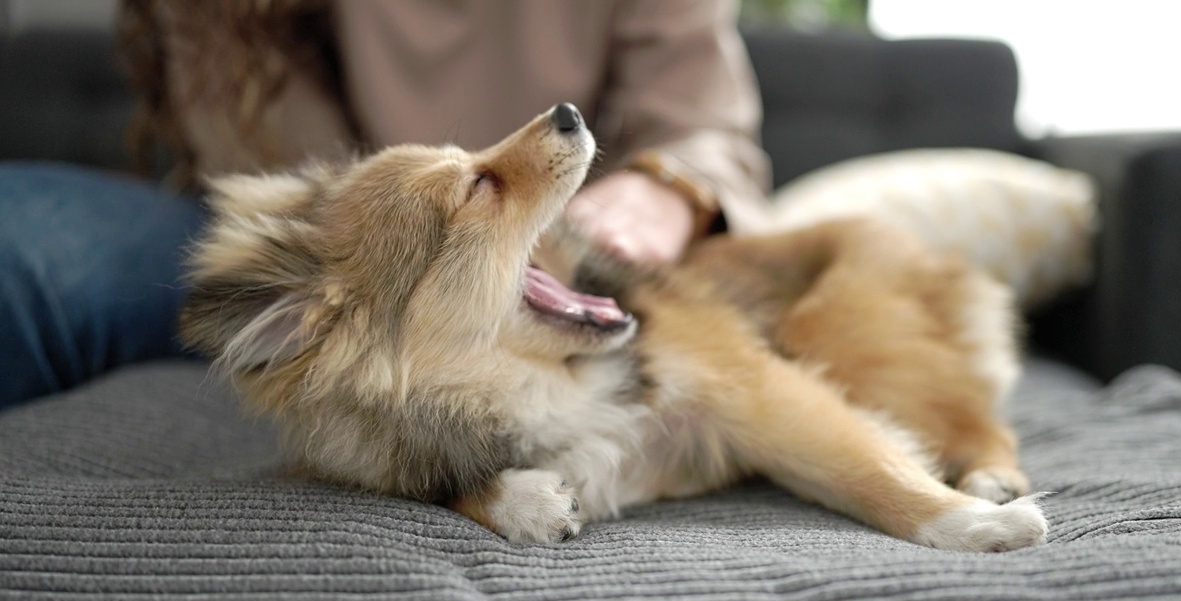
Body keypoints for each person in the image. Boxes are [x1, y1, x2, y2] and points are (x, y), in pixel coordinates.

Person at [0, 0, 771, 409]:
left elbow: (703, 128)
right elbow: (299, 191)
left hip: (568, 242)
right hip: (279, 249)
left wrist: (665, 190)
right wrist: (434, 246)